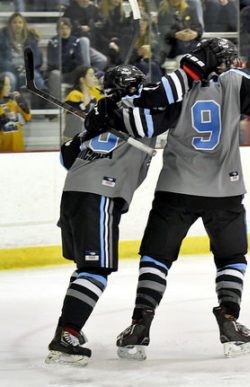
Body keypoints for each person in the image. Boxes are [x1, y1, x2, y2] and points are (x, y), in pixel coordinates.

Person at [82, 38, 250, 360]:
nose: (233, 65)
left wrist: (106, 114)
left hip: (176, 188)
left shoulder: (179, 83)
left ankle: (140, 323)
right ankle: (230, 321)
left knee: (156, 258)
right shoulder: (235, 81)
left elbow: (145, 120)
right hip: (226, 190)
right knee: (231, 259)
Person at [44, 65, 156, 366]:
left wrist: (89, 130)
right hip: (101, 194)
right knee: (96, 270)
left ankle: (66, 330)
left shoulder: (101, 111)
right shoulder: (140, 111)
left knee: (85, 268)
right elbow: (164, 109)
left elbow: (67, 157)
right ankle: (67, 335)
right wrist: (94, 126)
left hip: (74, 193)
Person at [0, 12, 45, 92]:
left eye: (20, 22)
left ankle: (41, 102)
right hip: (9, 70)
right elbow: (1, 60)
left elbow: (38, 58)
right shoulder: (2, 37)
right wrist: (13, 67)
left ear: (24, 24)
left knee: (35, 77)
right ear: (10, 24)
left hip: (27, 70)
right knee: (10, 79)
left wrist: (28, 67)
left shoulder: (31, 38)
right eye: (15, 22)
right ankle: (10, 103)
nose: (17, 25)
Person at [47, 17, 88, 100]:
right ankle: (56, 105)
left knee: (83, 72)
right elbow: (52, 61)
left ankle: (81, 102)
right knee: (55, 74)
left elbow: (79, 60)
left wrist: (66, 61)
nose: (65, 31)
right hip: (59, 73)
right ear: (57, 29)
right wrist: (69, 58)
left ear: (70, 29)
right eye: (62, 28)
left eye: (67, 28)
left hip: (72, 72)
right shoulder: (53, 42)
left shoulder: (75, 41)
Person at [63, 0, 108, 72]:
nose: (85, 1)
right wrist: (79, 27)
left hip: (92, 41)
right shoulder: (70, 10)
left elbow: (102, 22)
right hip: (76, 43)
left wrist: (91, 26)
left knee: (102, 60)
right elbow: (66, 24)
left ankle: (88, 75)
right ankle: (86, 69)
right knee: (84, 40)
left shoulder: (94, 9)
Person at [63, 66, 103, 141]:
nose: (94, 78)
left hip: (85, 137)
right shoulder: (74, 95)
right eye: (91, 75)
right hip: (72, 139)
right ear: (82, 80)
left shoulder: (93, 95)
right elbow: (81, 115)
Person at [0, 73, 30, 151]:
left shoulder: (14, 102)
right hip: (3, 152)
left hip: (18, 150)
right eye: (6, 85)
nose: (9, 88)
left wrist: (22, 101)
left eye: (9, 85)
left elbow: (27, 117)